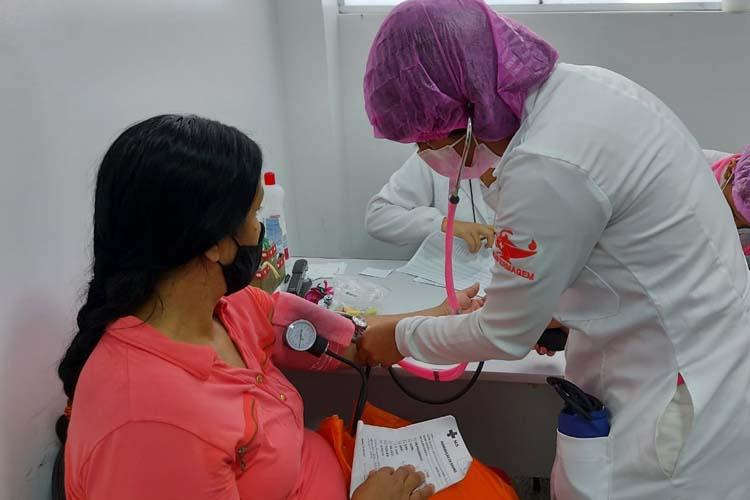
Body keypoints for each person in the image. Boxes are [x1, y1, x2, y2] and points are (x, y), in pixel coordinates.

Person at [356, 1, 750, 499]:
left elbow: (504, 334)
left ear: (471, 108)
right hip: (691, 361)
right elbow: (627, 259)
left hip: (676, 403)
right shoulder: (586, 90)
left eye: (428, 137)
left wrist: (397, 337)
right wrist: (562, 312)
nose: (423, 153)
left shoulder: (546, 163)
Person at [51, 115, 490, 500]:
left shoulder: (229, 308)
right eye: (256, 215)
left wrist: (436, 318)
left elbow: (352, 340)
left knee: (484, 483)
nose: (262, 233)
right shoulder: (152, 426)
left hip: (330, 467)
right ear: (213, 242)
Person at [366, 152, 496, 253]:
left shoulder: (509, 162)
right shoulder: (436, 153)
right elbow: (378, 218)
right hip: (456, 273)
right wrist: (443, 224)